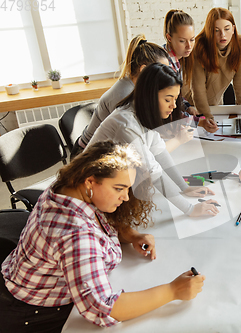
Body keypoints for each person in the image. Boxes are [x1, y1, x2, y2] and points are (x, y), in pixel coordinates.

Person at [0, 141, 205, 331]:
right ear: (90, 181)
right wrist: (172, 291)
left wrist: (132, 235)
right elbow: (103, 309)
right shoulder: (75, 235)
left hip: (19, 276)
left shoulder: (68, 187)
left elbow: (99, 219)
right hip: (34, 312)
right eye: (119, 189)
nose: (125, 197)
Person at [88, 63, 220, 217]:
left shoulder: (142, 114)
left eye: (175, 99)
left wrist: (184, 187)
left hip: (107, 187)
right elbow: (153, 172)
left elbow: (160, 152)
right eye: (167, 99)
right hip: (92, 192)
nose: (173, 106)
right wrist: (190, 209)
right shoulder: (126, 124)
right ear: (150, 96)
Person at [72, 35, 168, 159]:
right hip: (85, 155)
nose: (166, 77)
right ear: (145, 70)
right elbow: (137, 142)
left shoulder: (137, 86)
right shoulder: (124, 95)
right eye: (162, 71)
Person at [188, 7, 241, 121]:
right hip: (192, 105)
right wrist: (206, 116)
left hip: (216, 104)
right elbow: (198, 89)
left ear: (233, 29)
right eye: (216, 30)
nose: (223, 35)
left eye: (227, 29)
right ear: (209, 31)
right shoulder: (199, 47)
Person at [163, 10, 217, 134]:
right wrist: (200, 122)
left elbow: (176, 96)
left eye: (192, 39)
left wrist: (188, 107)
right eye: (182, 41)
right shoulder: (166, 66)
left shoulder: (175, 60)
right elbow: (169, 111)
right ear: (169, 38)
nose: (189, 46)